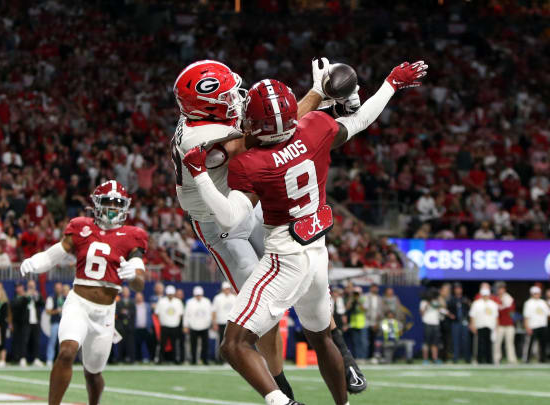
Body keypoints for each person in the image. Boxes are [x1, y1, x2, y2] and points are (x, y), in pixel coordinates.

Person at [182, 59, 427, 405]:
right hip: (316, 249)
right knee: (321, 335)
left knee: (234, 344)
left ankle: (283, 401)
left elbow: (230, 216)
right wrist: (391, 83)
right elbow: (358, 119)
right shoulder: (314, 128)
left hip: (284, 256)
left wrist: (201, 175)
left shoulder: (250, 163)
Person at [20, 180, 148, 405]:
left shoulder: (133, 235)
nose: (112, 208)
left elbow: (139, 283)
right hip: (78, 303)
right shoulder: (81, 227)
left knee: (93, 372)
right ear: (97, 204)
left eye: (117, 203)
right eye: (107, 202)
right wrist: (36, 261)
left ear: (125, 207)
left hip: (106, 312)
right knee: (67, 351)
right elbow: (54, 255)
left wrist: (135, 275)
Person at [469, 283, 498, 364]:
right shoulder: (476, 303)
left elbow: (496, 317)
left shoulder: (493, 304)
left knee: (489, 344)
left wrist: (496, 327)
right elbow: (472, 315)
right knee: (479, 344)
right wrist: (472, 325)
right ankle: (479, 359)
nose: (485, 296)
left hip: (490, 326)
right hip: (480, 325)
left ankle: (489, 360)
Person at [155, 285, 184, 364]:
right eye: (169, 294)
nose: (170, 295)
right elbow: (157, 314)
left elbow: (181, 315)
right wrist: (163, 320)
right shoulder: (161, 301)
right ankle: (160, 359)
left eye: (171, 294)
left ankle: (175, 359)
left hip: (175, 326)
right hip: (164, 326)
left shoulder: (178, 302)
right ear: (166, 294)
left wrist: (176, 322)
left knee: (174, 344)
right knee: (162, 344)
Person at [184, 286, 212, 364]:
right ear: (194, 295)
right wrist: (185, 325)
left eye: (199, 295)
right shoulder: (190, 302)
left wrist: (209, 323)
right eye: (197, 295)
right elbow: (186, 314)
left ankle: (205, 360)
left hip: (204, 326)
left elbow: (209, 314)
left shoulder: (207, 301)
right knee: (193, 345)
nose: (198, 296)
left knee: (205, 345)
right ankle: (193, 360)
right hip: (193, 326)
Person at [523, 285, 550, 363]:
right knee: (530, 344)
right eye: (535, 293)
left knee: (543, 344)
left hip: (542, 325)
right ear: (532, 294)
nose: (536, 295)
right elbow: (526, 316)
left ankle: (542, 359)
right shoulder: (528, 303)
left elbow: (549, 313)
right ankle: (527, 359)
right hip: (533, 326)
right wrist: (527, 327)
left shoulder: (543, 302)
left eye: (538, 293)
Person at [212, 281, 236, 363]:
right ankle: (220, 358)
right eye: (225, 289)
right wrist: (214, 323)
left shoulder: (234, 298)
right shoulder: (217, 298)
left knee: (231, 341)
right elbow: (214, 311)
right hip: (221, 322)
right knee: (221, 341)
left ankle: (231, 359)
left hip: (231, 323)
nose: (227, 290)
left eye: (228, 289)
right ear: (223, 289)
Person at [447, 283, 471, 363]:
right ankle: (455, 358)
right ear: (454, 290)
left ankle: (467, 358)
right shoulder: (451, 300)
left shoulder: (465, 299)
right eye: (457, 289)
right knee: (455, 341)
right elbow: (447, 310)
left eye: (459, 288)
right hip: (455, 322)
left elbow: (470, 309)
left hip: (464, 321)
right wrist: (450, 315)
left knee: (466, 341)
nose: (458, 290)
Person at [494, 282, 517, 364]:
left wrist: (502, 306)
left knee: (510, 343)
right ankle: (496, 359)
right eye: (499, 289)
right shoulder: (495, 299)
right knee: (497, 343)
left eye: (502, 288)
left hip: (509, 324)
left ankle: (512, 359)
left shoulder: (509, 298)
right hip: (499, 324)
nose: (501, 290)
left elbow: (511, 310)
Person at [45, 282, 66, 367]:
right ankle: (50, 359)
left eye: (60, 288)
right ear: (54, 289)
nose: (58, 289)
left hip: (64, 323)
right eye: (57, 288)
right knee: (52, 341)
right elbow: (48, 311)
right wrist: (57, 311)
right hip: (55, 323)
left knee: (63, 343)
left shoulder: (66, 298)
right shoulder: (51, 298)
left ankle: (62, 360)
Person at [420, 287, 441, 364]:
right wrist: (427, 305)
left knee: (435, 342)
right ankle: (425, 359)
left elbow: (440, 310)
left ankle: (434, 358)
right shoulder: (423, 302)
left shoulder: (436, 302)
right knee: (426, 342)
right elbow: (422, 313)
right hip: (427, 323)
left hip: (436, 323)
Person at [115, 286, 136, 363]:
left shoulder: (132, 302)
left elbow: (133, 313)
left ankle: (131, 359)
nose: (125, 293)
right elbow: (117, 312)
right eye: (124, 291)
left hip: (129, 327)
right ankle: (120, 359)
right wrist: (122, 312)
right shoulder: (119, 303)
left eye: (127, 291)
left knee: (130, 344)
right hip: (121, 327)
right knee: (120, 344)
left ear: (129, 293)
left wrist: (126, 312)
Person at [347, 286, 368, 360]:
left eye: (357, 293)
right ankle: (357, 357)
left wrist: (358, 301)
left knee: (363, 342)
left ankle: (363, 357)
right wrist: (351, 299)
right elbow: (347, 308)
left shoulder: (363, 299)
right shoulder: (352, 300)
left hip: (362, 324)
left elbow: (365, 309)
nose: (356, 294)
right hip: (354, 323)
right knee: (355, 342)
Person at [364, 284, 382, 361]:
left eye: (376, 288)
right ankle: (365, 356)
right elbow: (365, 309)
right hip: (366, 321)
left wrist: (376, 322)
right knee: (365, 340)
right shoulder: (366, 296)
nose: (375, 289)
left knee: (374, 340)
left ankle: (372, 356)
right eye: (373, 288)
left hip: (376, 322)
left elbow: (380, 310)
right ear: (371, 288)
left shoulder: (379, 298)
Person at [133, 292, 152, 363]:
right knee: (137, 345)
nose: (138, 298)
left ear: (142, 297)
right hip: (137, 328)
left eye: (140, 297)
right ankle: (138, 359)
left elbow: (150, 317)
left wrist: (150, 326)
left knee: (149, 344)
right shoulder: (134, 305)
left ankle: (151, 358)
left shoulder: (147, 306)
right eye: (137, 297)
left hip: (146, 328)